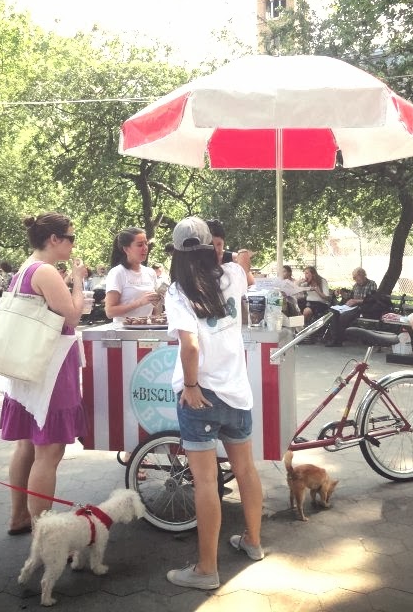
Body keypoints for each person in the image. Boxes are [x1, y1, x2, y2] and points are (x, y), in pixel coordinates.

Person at [163, 217, 263, 590]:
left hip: (201, 396)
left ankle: (207, 569)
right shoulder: (234, 273)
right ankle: (253, 542)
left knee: (206, 482)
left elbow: (189, 345)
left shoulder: (177, 291)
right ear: (211, 246)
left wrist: (189, 385)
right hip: (237, 392)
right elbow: (247, 276)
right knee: (246, 471)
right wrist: (244, 261)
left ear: (175, 252)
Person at [0, 213, 86, 534]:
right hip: (48, 368)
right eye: (71, 238)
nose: (73, 244)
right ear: (54, 239)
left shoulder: (26, 266)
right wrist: (78, 280)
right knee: (48, 451)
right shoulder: (46, 271)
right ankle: (44, 533)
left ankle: (19, 516)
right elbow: (73, 316)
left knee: (25, 445)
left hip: (24, 367)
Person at [324, 267, 390, 347]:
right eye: (354, 277)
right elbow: (350, 297)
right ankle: (334, 338)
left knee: (344, 316)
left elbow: (372, 299)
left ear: (362, 275)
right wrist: (342, 293)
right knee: (333, 312)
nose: (354, 279)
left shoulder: (371, 284)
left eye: (355, 277)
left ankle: (339, 339)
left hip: (364, 309)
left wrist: (356, 301)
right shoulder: (356, 285)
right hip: (352, 307)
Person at [104, 227, 159, 321]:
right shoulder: (117, 273)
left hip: (148, 331)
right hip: (124, 332)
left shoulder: (150, 273)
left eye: (146, 243)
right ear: (126, 249)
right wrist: (139, 303)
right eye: (140, 245)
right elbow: (110, 312)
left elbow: (155, 310)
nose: (145, 248)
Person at [298, 265, 332, 341]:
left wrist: (317, 290)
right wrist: (299, 282)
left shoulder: (322, 281)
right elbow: (297, 289)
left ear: (313, 274)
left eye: (307, 273)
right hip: (309, 303)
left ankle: (302, 331)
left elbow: (326, 297)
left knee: (307, 311)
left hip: (320, 303)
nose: (305, 276)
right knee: (296, 309)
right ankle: (301, 330)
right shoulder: (307, 283)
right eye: (305, 274)